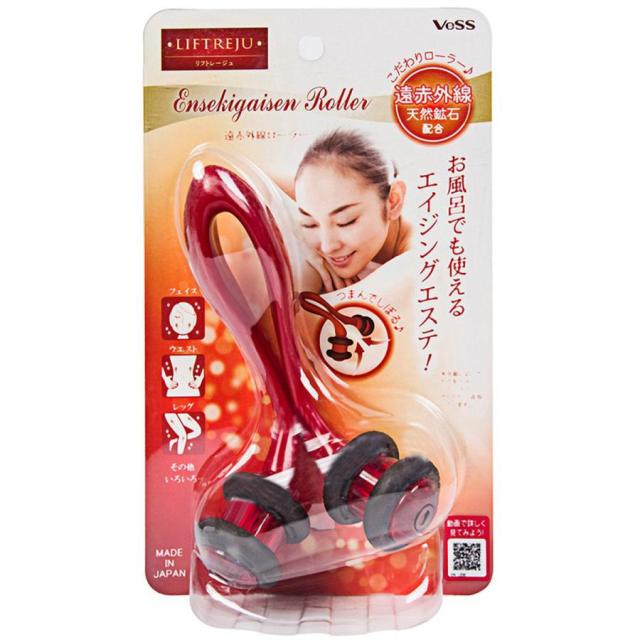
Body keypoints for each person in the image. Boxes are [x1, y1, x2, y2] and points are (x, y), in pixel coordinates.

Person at [294, 129, 410, 292]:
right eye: (310, 224)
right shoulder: (322, 187)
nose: (328, 247)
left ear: (394, 200)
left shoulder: (418, 263)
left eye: (345, 221)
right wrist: (297, 245)